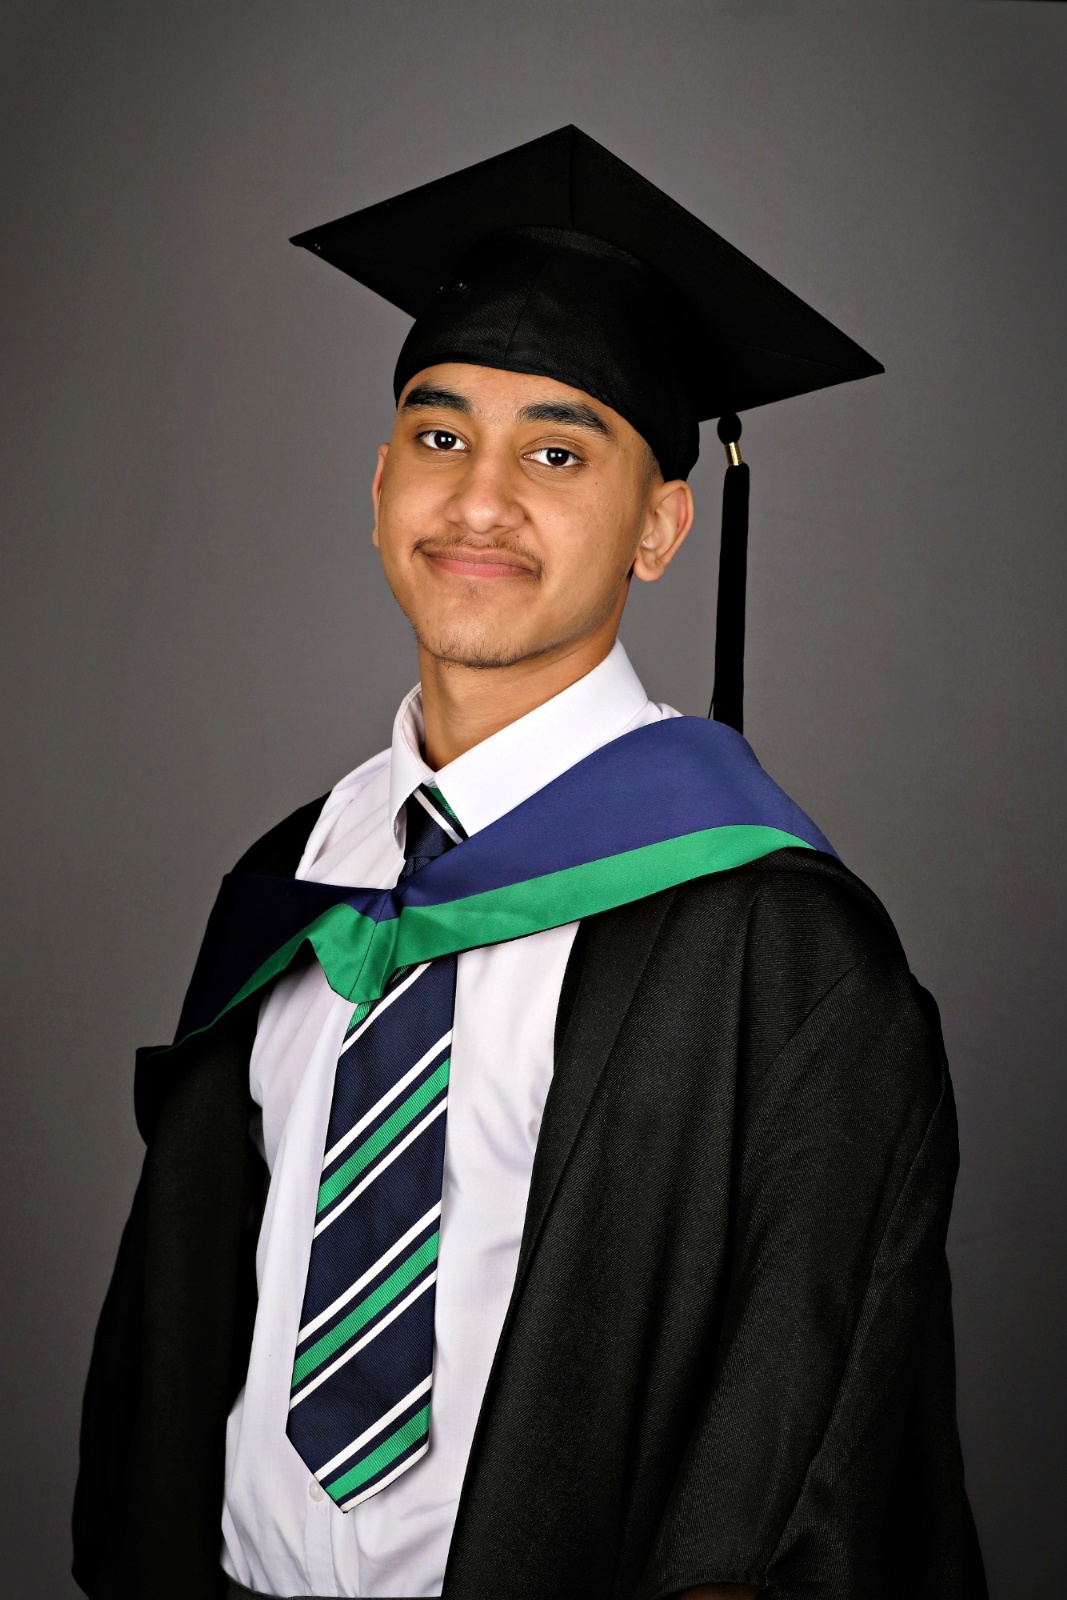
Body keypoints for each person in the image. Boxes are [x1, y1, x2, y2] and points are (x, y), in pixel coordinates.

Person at [73, 127, 986, 1600]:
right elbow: (178, 1339)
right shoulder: (295, 879)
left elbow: (805, 1450)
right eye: (441, 440)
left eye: (557, 453)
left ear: (661, 525)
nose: (480, 502)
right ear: (381, 483)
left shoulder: (780, 950)